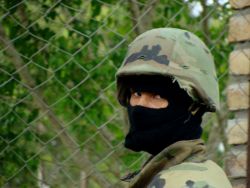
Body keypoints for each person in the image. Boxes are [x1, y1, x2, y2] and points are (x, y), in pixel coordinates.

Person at [115, 28, 232, 187]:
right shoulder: (177, 173)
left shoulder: (188, 181)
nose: (140, 105)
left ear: (194, 107)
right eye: (136, 93)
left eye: (157, 96)